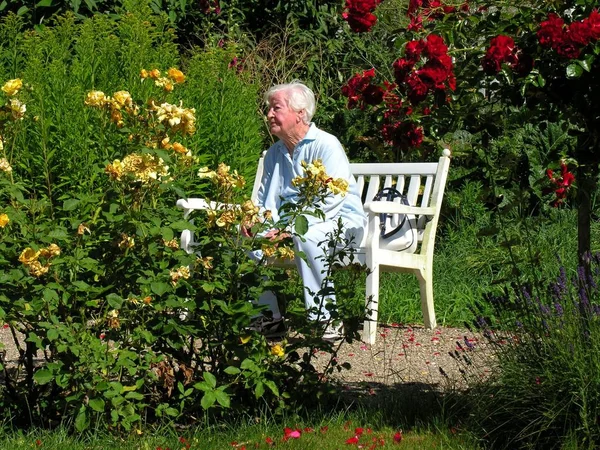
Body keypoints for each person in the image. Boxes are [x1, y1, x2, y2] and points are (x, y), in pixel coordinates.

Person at [248, 81, 367, 340]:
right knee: (245, 242)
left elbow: (331, 200)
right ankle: (269, 321)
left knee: (308, 236)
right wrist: (254, 225)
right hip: (288, 228)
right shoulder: (274, 154)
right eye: (269, 108)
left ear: (300, 114)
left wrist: (288, 231)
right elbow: (264, 203)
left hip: (340, 225)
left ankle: (326, 319)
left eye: (275, 108)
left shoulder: (326, 145)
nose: (269, 114)